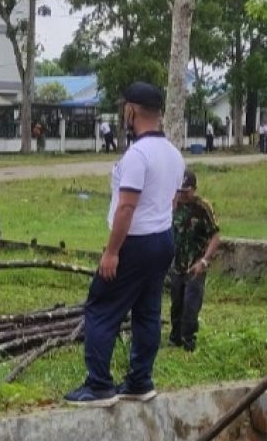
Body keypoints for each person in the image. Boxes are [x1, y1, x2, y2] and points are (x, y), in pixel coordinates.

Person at [65, 82, 182, 407]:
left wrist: (113, 251)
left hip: (135, 243)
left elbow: (126, 207)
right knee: (147, 311)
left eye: (123, 109)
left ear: (131, 110)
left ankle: (99, 385)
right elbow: (172, 202)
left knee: (101, 309)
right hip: (163, 240)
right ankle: (139, 381)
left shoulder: (137, 155)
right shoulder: (173, 154)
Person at [168, 170, 221, 352]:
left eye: (186, 191)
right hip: (176, 264)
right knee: (176, 303)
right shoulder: (172, 205)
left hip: (196, 264)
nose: (182, 194)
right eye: (179, 190)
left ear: (194, 189)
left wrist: (204, 261)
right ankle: (175, 339)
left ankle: (188, 342)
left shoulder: (203, 207)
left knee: (191, 305)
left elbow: (215, 236)